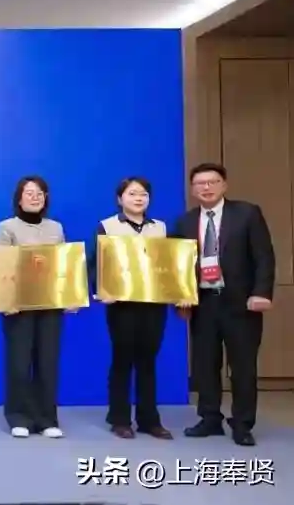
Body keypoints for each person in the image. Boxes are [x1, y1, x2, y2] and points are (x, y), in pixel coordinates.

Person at [172, 163, 274, 447]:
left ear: (224, 185)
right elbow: (177, 267)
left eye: (213, 182)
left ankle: (242, 424)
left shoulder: (247, 213)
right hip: (203, 303)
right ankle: (209, 419)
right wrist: (181, 298)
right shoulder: (184, 222)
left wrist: (261, 292)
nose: (206, 187)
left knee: (242, 367)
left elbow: (264, 256)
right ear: (193, 189)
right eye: (200, 183)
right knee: (205, 365)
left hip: (241, 304)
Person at [88, 177, 174, 440]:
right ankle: (120, 418)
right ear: (120, 199)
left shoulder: (160, 227)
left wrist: (178, 292)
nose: (139, 198)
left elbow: (169, 264)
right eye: (132, 193)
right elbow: (97, 263)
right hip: (121, 304)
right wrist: (102, 290)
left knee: (148, 361)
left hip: (153, 303)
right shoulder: (107, 226)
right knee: (122, 359)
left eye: (143, 194)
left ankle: (149, 420)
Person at [0, 175, 67, 439]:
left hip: (50, 304)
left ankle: (47, 419)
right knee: (19, 362)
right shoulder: (7, 227)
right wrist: (7, 300)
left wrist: (68, 296)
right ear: (19, 198)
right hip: (18, 305)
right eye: (29, 193)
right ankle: (19, 417)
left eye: (40, 193)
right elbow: (3, 265)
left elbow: (63, 266)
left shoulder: (56, 228)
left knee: (48, 362)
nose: (35, 197)